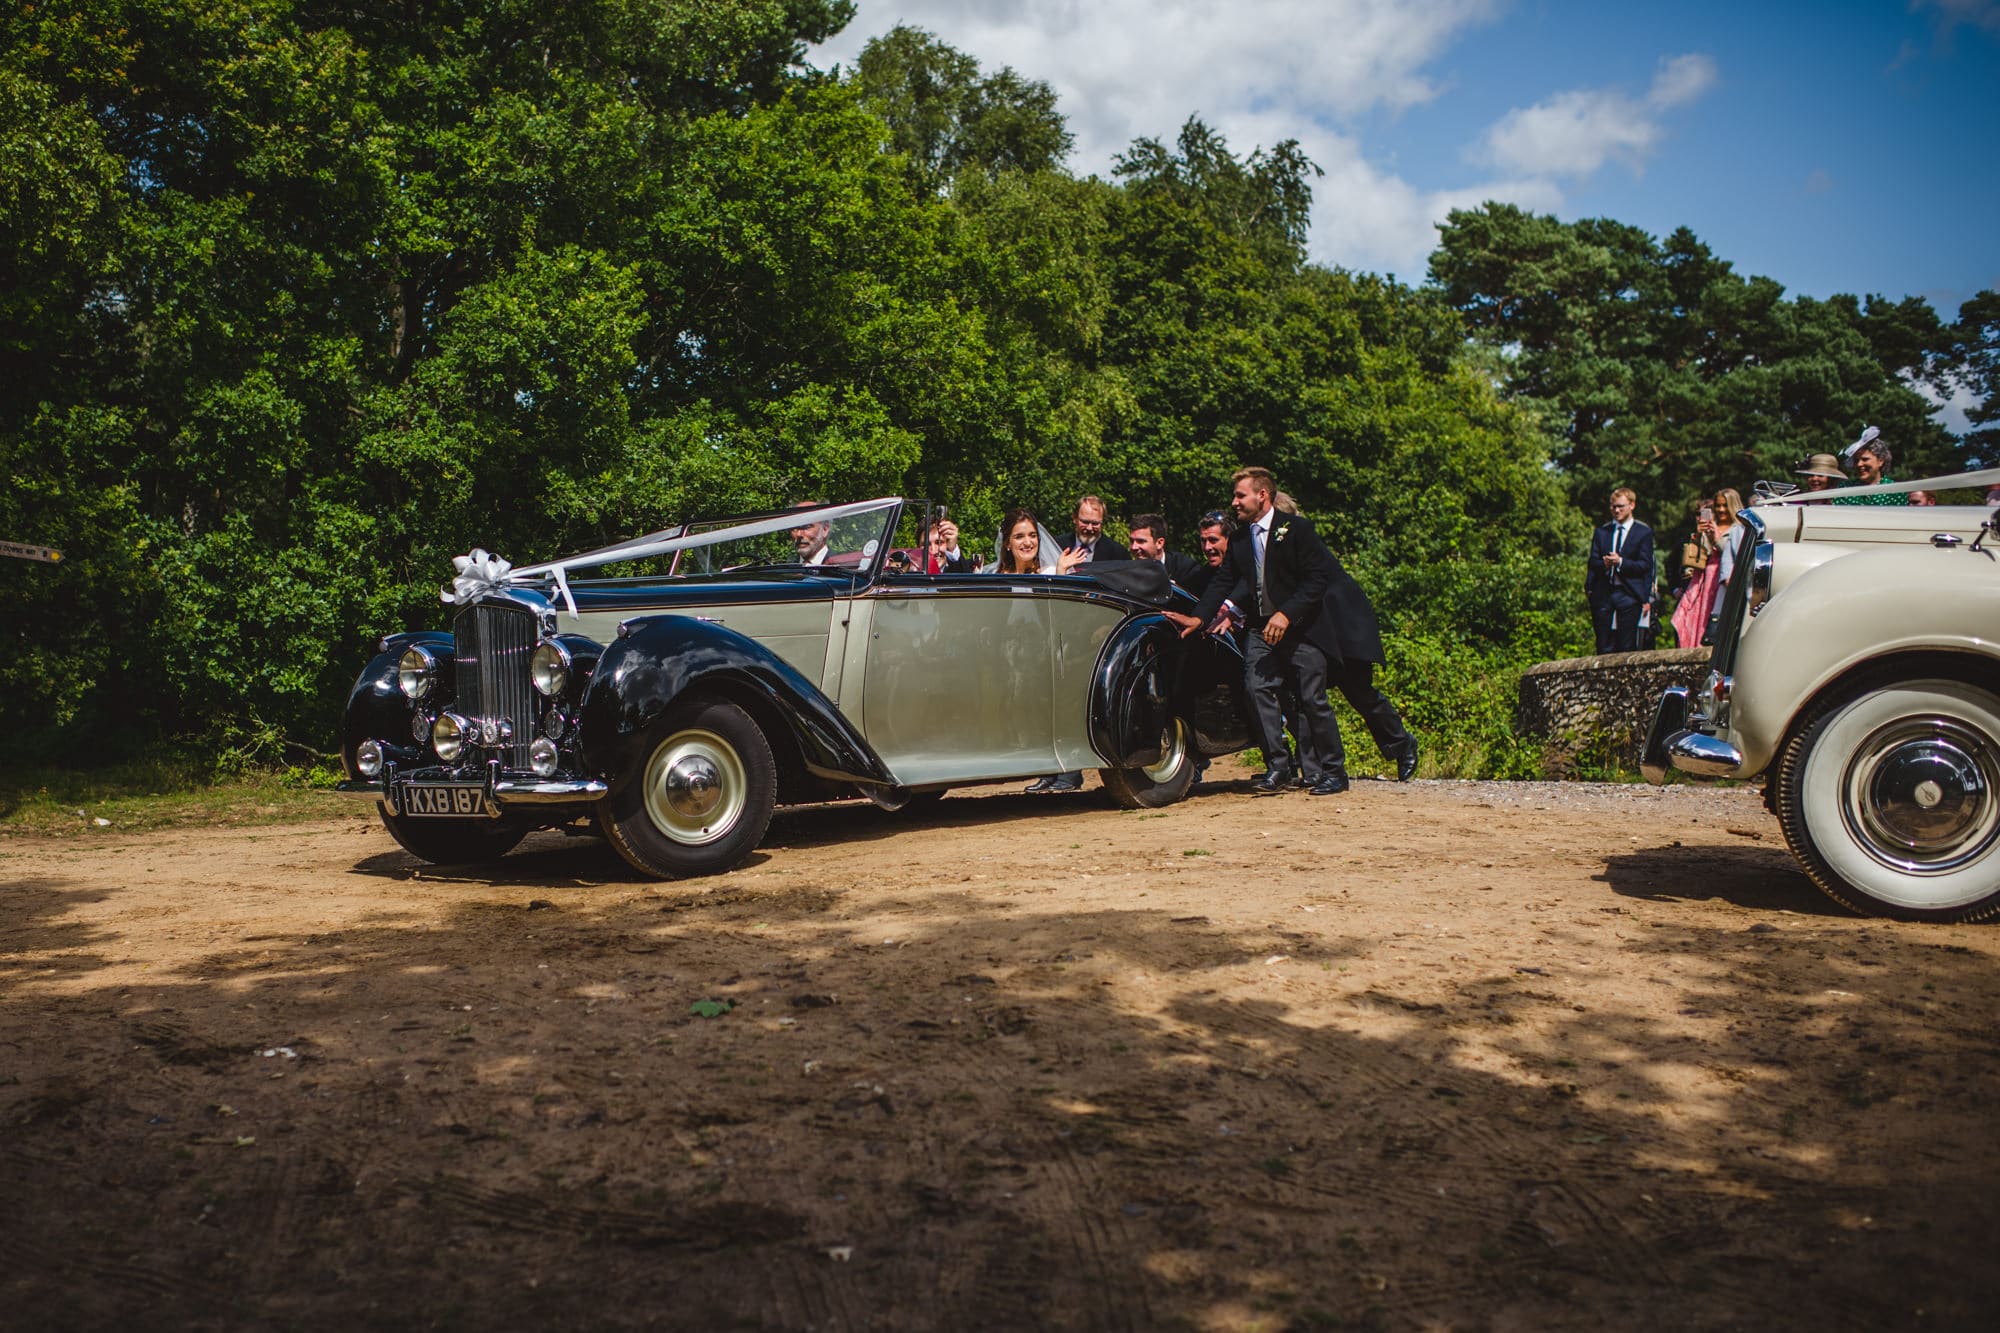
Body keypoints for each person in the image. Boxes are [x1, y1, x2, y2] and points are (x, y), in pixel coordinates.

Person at [1167, 467, 1352, 796]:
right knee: (1255, 689)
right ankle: (1278, 766)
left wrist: (1286, 614)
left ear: (1261, 495)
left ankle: (1334, 771)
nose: (1234, 502)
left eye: (1240, 495)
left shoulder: (1297, 530)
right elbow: (1224, 582)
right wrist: (1198, 618)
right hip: (1259, 629)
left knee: (1311, 699)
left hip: (1301, 629)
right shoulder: (1240, 538)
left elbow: (1317, 579)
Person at [1585, 488, 1655, 654]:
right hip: (1604, 592)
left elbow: (1645, 566)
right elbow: (1592, 562)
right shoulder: (1602, 532)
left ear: (1632, 505)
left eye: (1621, 506)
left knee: (1627, 645)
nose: (1616, 510)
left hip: (1629, 593)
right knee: (1603, 644)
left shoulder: (1643, 533)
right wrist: (1605, 564)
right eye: (1613, 506)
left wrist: (1621, 562)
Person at [1670, 489, 1740, 648]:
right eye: (1718, 506)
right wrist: (1701, 537)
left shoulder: (1738, 528)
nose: (1721, 510)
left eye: (1725, 505)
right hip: (1704, 578)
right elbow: (1701, 557)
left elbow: (1733, 554)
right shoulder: (1712, 524)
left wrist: (1716, 538)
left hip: (1723, 578)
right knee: (1691, 615)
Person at [994, 508, 1086, 577]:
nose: (1027, 542)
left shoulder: (1051, 573)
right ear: (1007, 543)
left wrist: (1060, 572)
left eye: (1032, 535)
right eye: (1019, 537)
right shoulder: (997, 576)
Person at [1833, 427, 1908, 506]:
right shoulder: (1845, 489)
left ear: (1880, 461)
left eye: (1865, 459)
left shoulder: (1895, 491)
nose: (1859, 464)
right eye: (1856, 461)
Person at [1127, 513, 1202, 584]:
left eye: (1141, 541)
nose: (1133, 547)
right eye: (1131, 541)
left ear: (1160, 543)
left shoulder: (1184, 569)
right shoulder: (1126, 572)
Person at [1062, 495, 1131, 565]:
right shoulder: (1057, 545)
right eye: (1085, 522)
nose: (1089, 528)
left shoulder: (1118, 554)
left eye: (1095, 523)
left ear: (1103, 522)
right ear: (1074, 518)